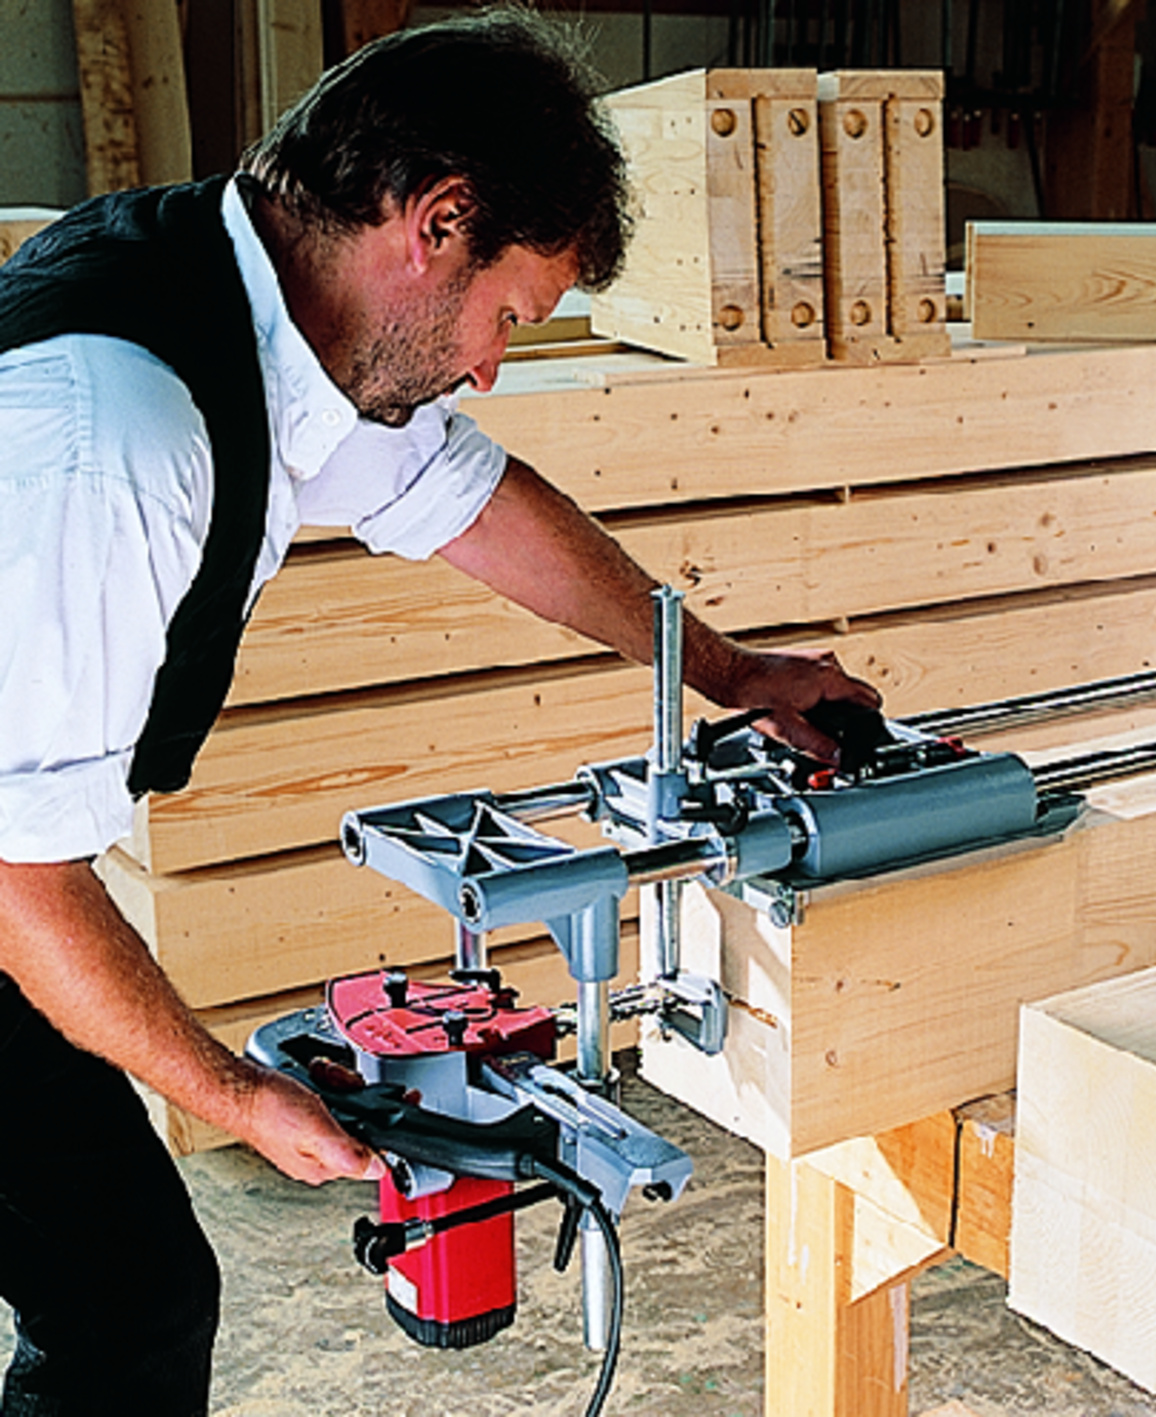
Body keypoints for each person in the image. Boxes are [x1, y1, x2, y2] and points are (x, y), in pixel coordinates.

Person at [0, 9, 878, 1414]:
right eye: (506, 317)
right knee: (125, 1298)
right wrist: (234, 1094)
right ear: (437, 221)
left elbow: (475, 499)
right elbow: (21, 878)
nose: (488, 367)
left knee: (127, 1289)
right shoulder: (120, 430)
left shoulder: (258, 311)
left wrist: (726, 674)